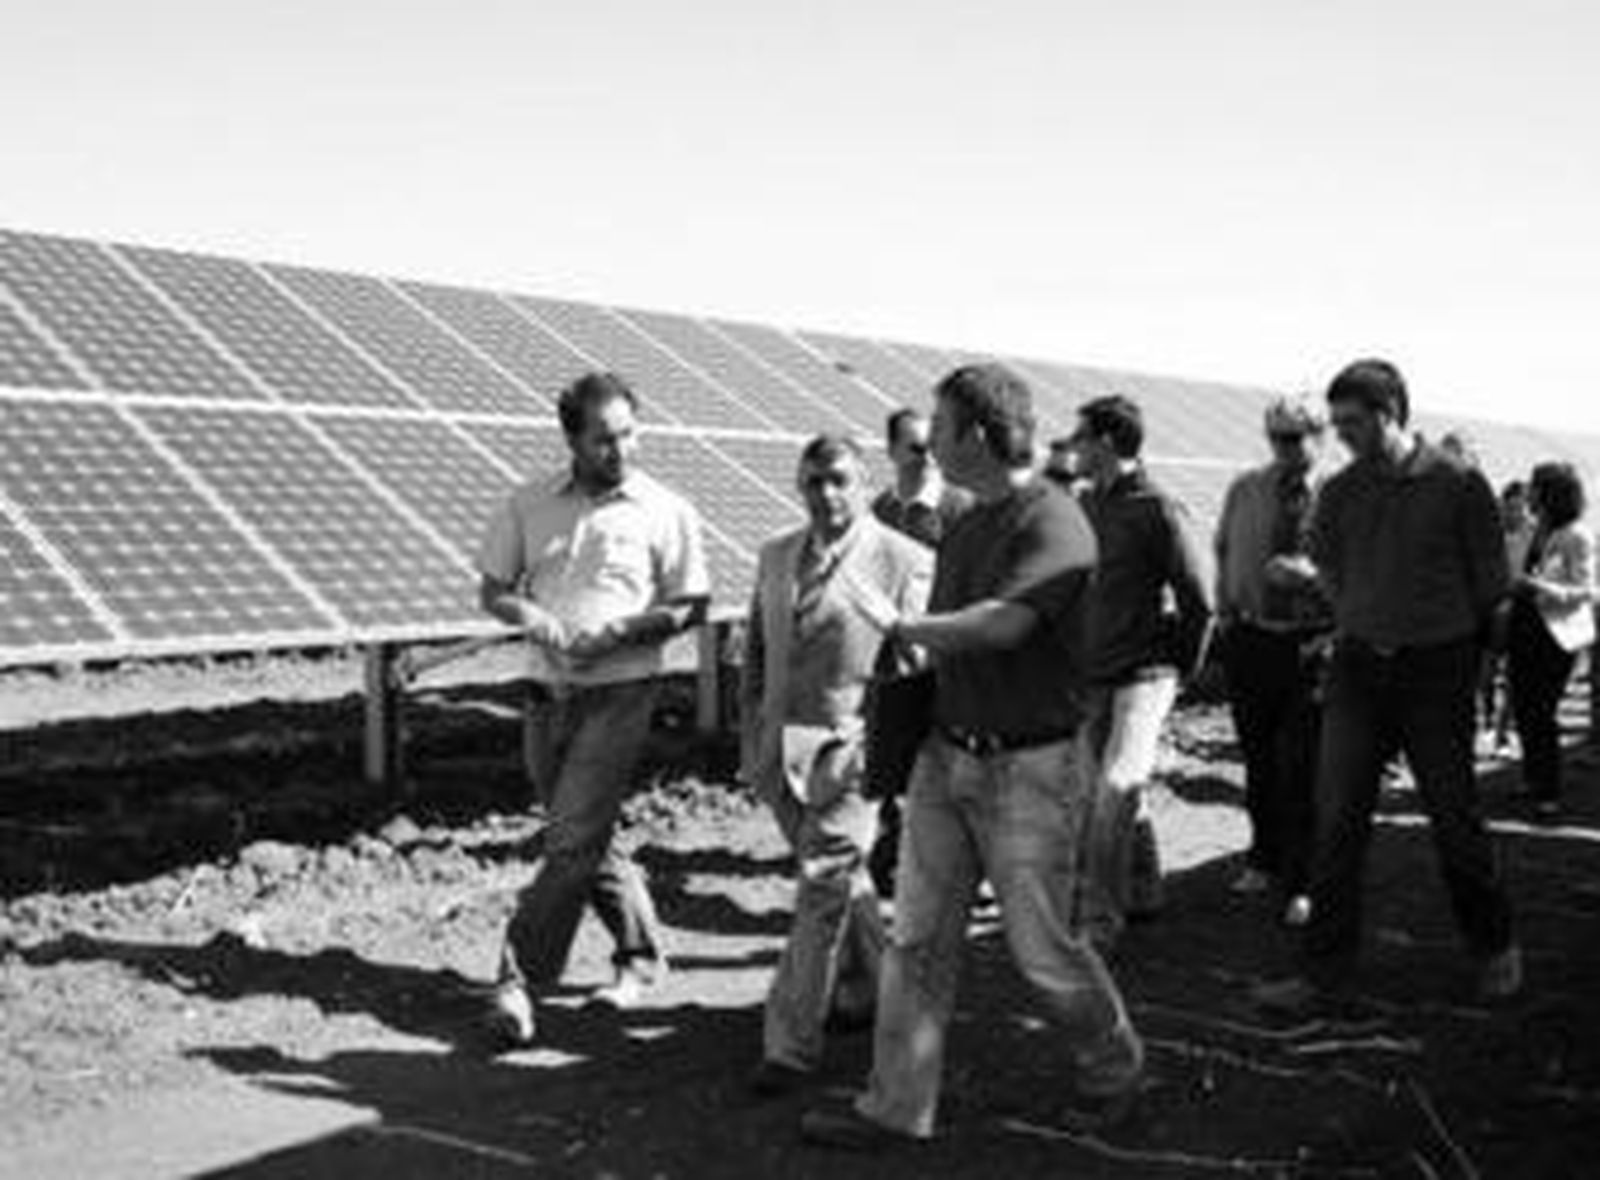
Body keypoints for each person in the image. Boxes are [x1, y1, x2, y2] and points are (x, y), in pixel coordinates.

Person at [801, 363, 1143, 1150]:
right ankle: (894, 1107)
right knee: (915, 942)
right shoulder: (968, 524)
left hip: (1033, 770)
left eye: (941, 427)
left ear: (978, 438)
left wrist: (903, 628)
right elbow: (959, 641)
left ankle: (1114, 1069)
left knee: (1042, 950)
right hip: (948, 758)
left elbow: (1001, 626)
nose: (929, 442)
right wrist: (897, 700)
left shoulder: (1056, 522)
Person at [1255, 358, 1521, 1015]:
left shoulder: (1458, 485)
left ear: (1391, 412)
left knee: (1454, 815)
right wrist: (1360, 616)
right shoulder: (1342, 492)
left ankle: (1494, 948)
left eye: (1351, 422)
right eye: (1337, 422)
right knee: (1337, 822)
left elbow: (1490, 585)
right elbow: (1330, 569)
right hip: (1358, 669)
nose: (1340, 435)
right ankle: (1322, 973)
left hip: (1436, 670)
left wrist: (1436, 629)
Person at [476, 371, 711, 1046]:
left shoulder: (666, 510)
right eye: (605, 439)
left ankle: (516, 983)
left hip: (621, 693)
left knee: (572, 839)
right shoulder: (528, 505)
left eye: (629, 434)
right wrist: (537, 620)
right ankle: (641, 955)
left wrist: (624, 632)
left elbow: (689, 605)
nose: (622, 450)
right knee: (580, 834)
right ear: (572, 439)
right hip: (546, 694)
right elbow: (492, 590)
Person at [739, 435, 933, 1097]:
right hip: (780, 755)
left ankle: (789, 1044)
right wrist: (753, 743)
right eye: (814, 481)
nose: (827, 494)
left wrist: (885, 756)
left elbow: (917, 670)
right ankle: (882, 991)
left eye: (840, 480)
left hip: (854, 753)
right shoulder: (773, 556)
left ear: (863, 480)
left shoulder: (905, 560)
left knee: (820, 886)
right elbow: (759, 657)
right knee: (844, 885)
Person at [1069, 395, 1213, 943]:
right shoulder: (1084, 506)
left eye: (1080, 437)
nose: (1072, 447)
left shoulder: (1158, 508)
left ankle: (1096, 923)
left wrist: (1182, 671)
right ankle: (1146, 884)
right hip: (1091, 674)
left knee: (1115, 785)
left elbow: (1199, 600)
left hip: (1144, 676)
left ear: (1105, 442)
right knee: (1102, 794)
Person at [1213, 396, 1333, 925]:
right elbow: (1222, 551)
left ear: (1320, 436)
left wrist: (1313, 580)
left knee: (1303, 764)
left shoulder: (1341, 495)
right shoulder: (1245, 489)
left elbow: (1362, 574)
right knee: (1258, 757)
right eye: (1275, 437)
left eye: (1293, 437)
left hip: (1312, 643)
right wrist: (1226, 613)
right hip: (1253, 639)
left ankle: (1304, 879)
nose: (1283, 448)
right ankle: (1265, 855)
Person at [868, 408, 973, 895]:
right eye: (913, 447)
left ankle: (963, 869)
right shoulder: (878, 512)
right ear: (890, 451)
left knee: (945, 768)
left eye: (931, 445)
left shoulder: (960, 508)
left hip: (948, 659)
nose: (926, 456)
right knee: (890, 762)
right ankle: (895, 858)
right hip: (891, 659)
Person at [1506, 461, 1595, 820]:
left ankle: (1549, 793)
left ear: (1550, 493)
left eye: (1535, 486)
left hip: (1557, 634)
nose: (1528, 492)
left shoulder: (1577, 535)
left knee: (1541, 711)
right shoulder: (1533, 530)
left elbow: (1586, 590)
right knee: (1524, 707)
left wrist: (1538, 586)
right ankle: (1532, 779)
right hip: (1524, 626)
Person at [870, 408, 974, 549]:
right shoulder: (881, 508)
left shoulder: (956, 508)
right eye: (918, 449)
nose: (929, 457)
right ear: (892, 452)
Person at [1483, 479, 1534, 756]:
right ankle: (1489, 721)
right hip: (1494, 609)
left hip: (1523, 609)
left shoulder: (1536, 534)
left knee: (1514, 675)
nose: (1512, 513)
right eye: (1508, 507)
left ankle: (1503, 732)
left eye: (1518, 507)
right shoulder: (1493, 533)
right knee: (1486, 673)